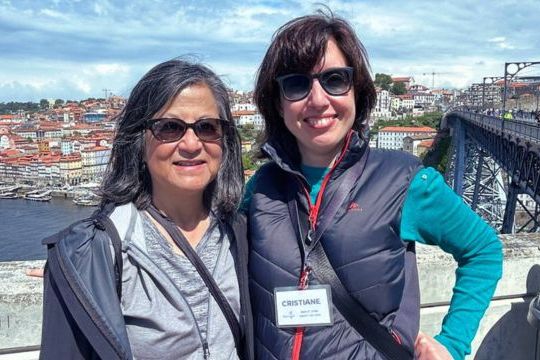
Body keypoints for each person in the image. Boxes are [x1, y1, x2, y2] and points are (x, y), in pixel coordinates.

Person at [242, 11, 502, 360]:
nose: (318, 99)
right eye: (296, 84)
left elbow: (483, 250)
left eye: (334, 79)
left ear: (357, 91)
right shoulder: (260, 189)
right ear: (277, 102)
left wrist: (452, 344)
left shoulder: (405, 180)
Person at [40, 59, 253, 360]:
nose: (191, 144)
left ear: (225, 140)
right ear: (138, 141)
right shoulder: (95, 254)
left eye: (207, 127)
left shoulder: (243, 235)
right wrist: (78, 271)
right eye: (169, 128)